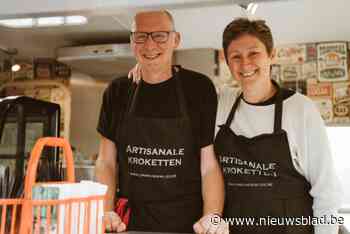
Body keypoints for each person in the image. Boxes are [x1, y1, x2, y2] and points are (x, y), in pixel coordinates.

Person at [95, 10, 227, 234]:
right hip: (129, 224)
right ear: (131, 41)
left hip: (188, 225)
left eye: (160, 36)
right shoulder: (117, 91)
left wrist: (212, 218)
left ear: (176, 40)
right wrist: (106, 211)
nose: (149, 45)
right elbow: (106, 161)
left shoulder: (199, 89)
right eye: (141, 36)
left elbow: (209, 165)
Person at [214, 18, 342, 234]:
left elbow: (326, 193)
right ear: (227, 62)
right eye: (236, 57)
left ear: (271, 55)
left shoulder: (301, 110)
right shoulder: (223, 104)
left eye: (254, 53)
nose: (245, 64)